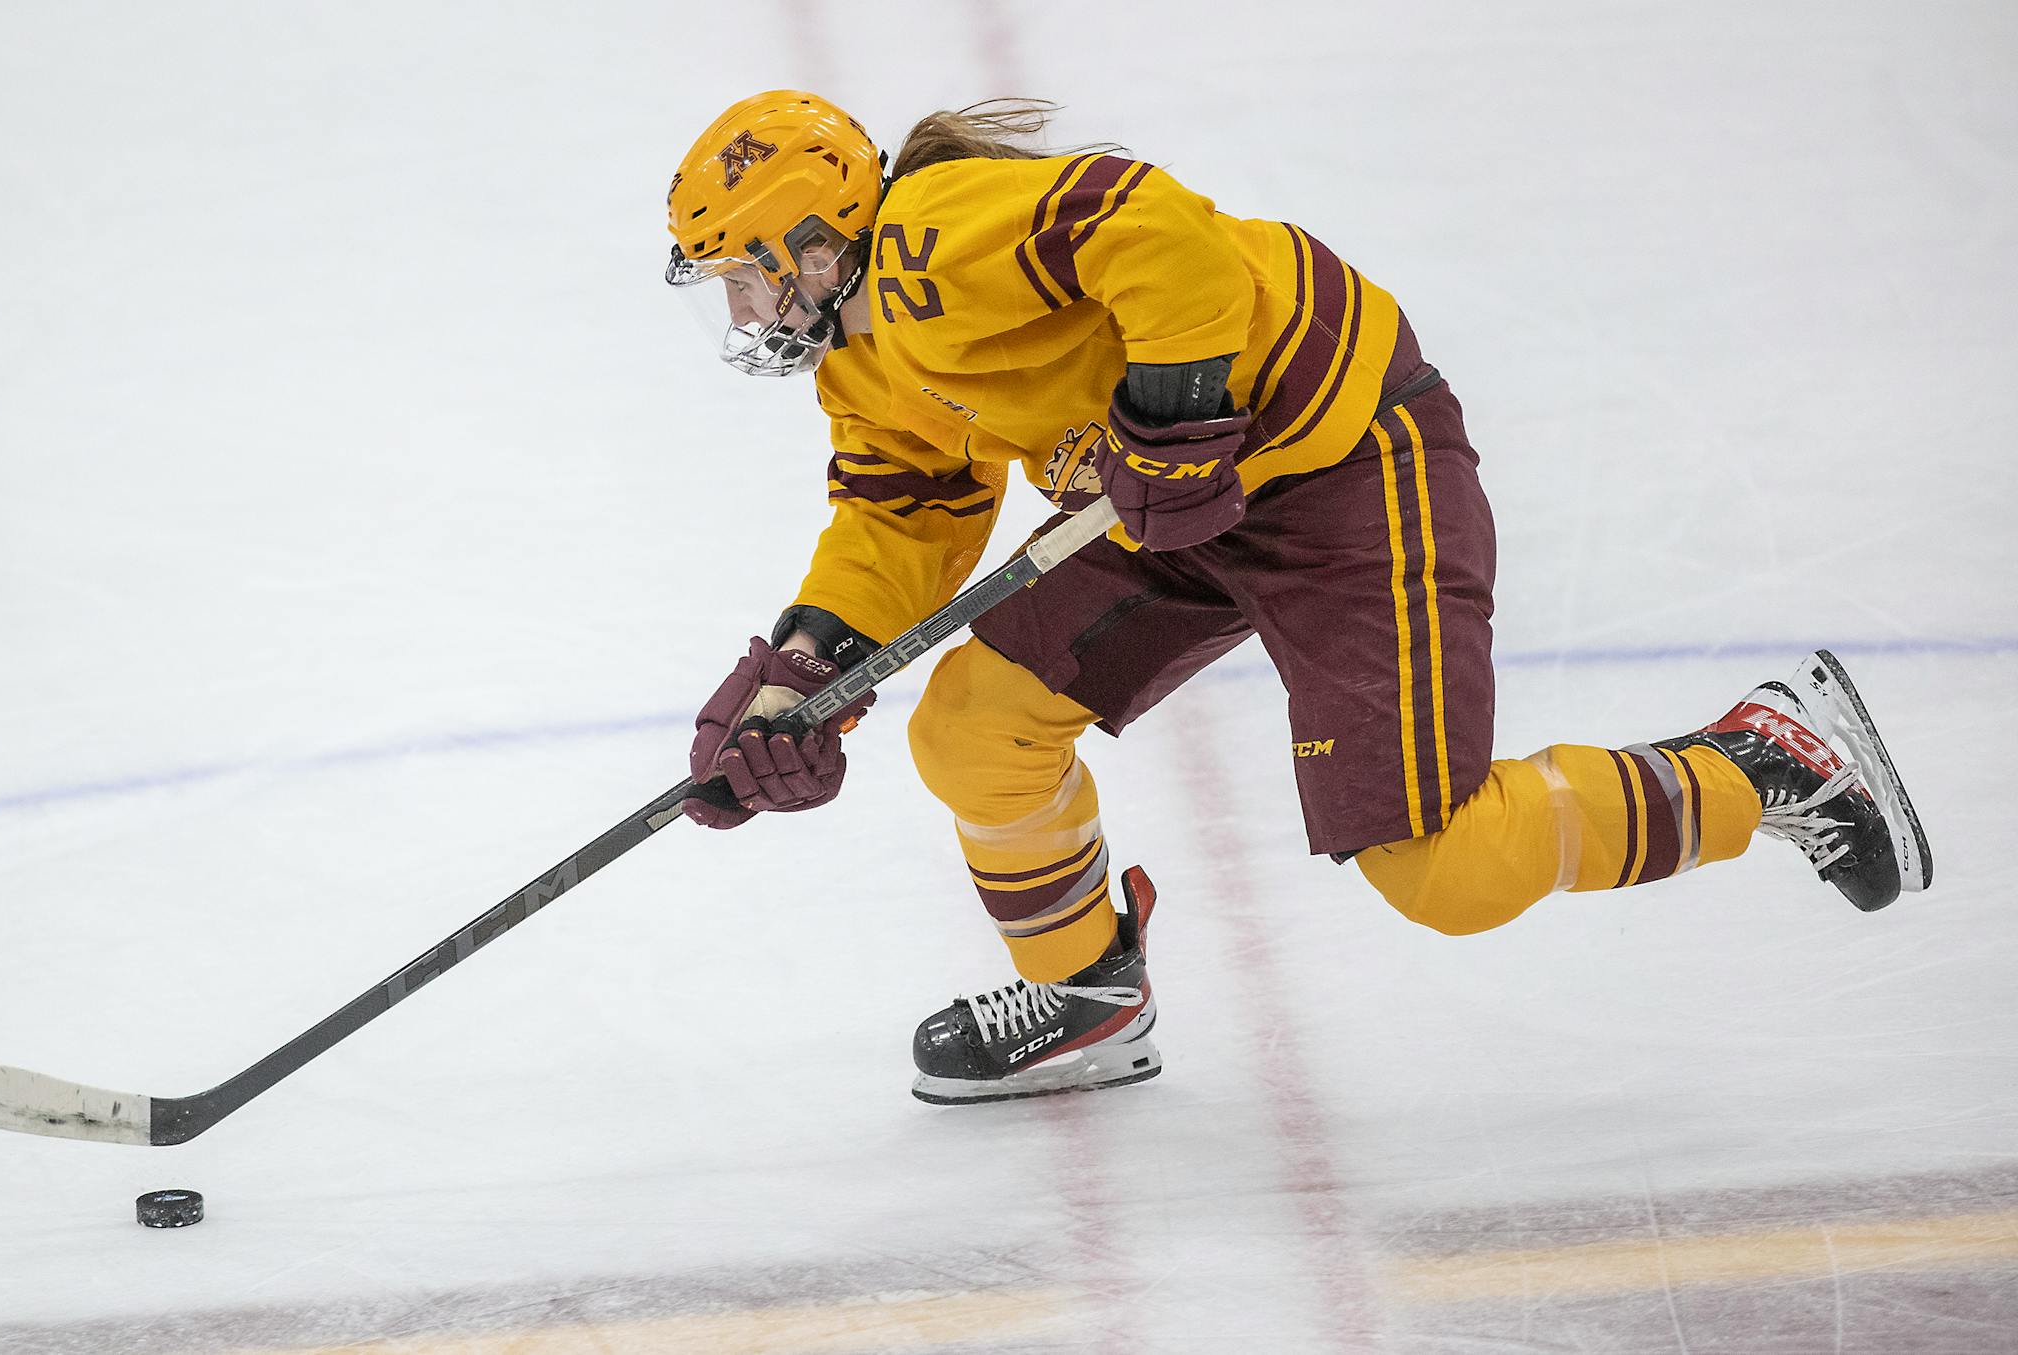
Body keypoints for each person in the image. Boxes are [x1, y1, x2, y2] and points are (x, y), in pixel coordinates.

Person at [663, 92, 1934, 1106]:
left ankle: (1767, 760)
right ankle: (1089, 998)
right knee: (972, 729)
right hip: (1171, 499)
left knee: (1444, 867)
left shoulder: (941, 233)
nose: (739, 307)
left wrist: (1177, 409)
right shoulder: (869, 353)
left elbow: (1143, 220)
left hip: (1340, 468)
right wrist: (804, 671)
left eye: (742, 274)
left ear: (805, 240)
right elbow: (903, 516)